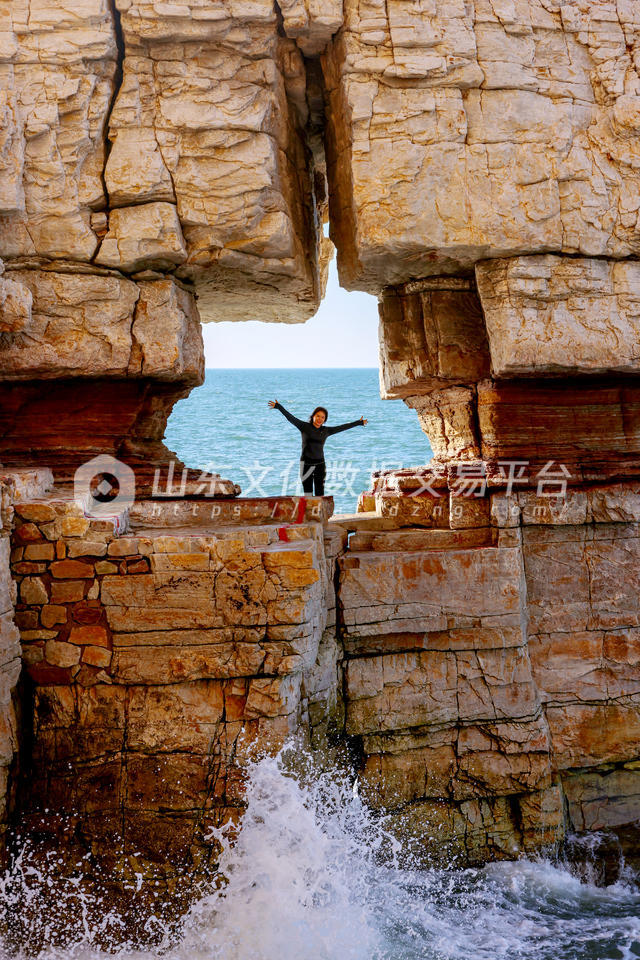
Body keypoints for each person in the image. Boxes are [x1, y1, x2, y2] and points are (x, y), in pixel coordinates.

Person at [268, 400, 367, 496]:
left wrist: (359, 423)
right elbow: (291, 418)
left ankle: (320, 513)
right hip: (306, 465)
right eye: (318, 416)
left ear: (325, 420)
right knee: (308, 494)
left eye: (323, 417)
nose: (320, 419)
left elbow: (342, 427)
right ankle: (310, 513)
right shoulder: (304, 426)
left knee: (320, 494)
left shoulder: (326, 430)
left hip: (320, 465)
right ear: (313, 416)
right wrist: (278, 406)